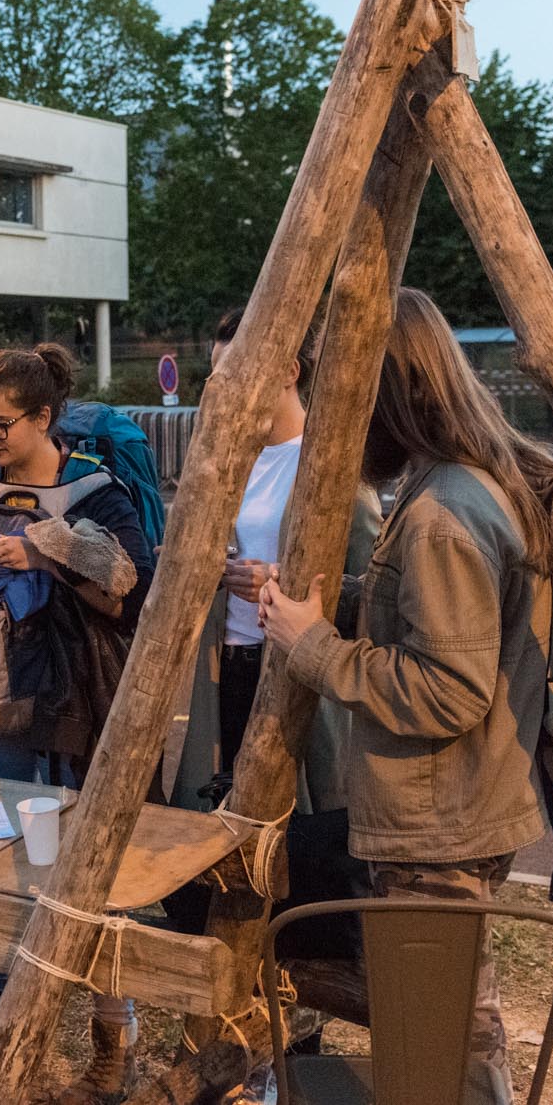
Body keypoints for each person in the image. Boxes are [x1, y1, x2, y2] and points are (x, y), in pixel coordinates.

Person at [259, 288, 553, 1105]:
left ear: (386, 390)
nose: (334, 416)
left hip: (437, 821)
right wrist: (349, 602)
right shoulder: (465, 481)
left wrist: (313, 647)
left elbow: (449, 688)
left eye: (344, 393)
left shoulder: (441, 512)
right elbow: (441, 625)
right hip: (453, 807)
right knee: (457, 1024)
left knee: (442, 1043)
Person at [0, 343, 155, 1105]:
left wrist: (45, 552)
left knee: (93, 874)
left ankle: (113, 1043)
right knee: (4, 871)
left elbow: (130, 596)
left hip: (78, 712)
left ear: (44, 417)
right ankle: (6, 1041)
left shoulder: (97, 493)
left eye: (0, 425)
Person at [163, 310, 378, 940]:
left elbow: (368, 587)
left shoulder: (330, 461)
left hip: (294, 668)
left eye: (236, 369)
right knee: (222, 822)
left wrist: (279, 580)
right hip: (226, 663)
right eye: (215, 371)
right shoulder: (228, 458)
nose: (221, 384)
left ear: (289, 370)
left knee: (297, 828)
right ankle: (240, 964)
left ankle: (297, 973)